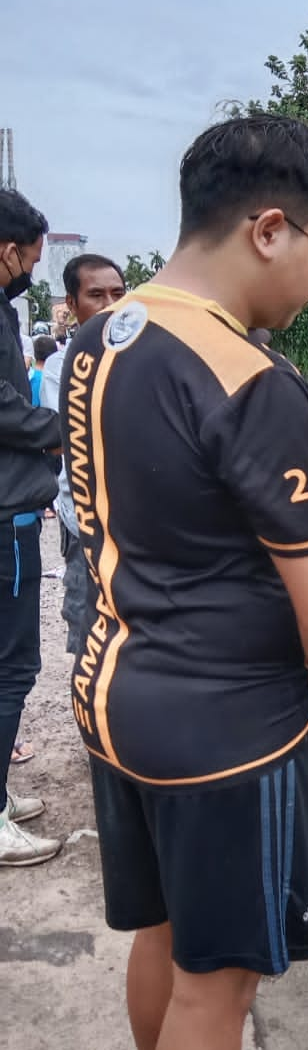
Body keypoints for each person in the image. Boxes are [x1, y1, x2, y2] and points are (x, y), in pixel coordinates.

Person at [60, 114, 308, 1050]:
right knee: (216, 979)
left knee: (162, 935)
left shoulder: (104, 337)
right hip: (222, 729)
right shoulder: (254, 379)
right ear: (268, 227)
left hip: (117, 689)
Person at [0, 188, 62, 867]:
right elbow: (6, 410)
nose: (29, 272)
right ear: (7, 249)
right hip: (7, 514)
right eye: (28, 260)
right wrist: (72, 427)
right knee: (12, 668)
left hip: (13, 503)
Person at [41, 255, 127, 653]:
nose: (109, 304)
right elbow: (74, 432)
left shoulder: (143, 356)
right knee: (87, 626)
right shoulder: (62, 365)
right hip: (85, 521)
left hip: (141, 523)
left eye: (117, 293)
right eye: (96, 295)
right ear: (72, 305)